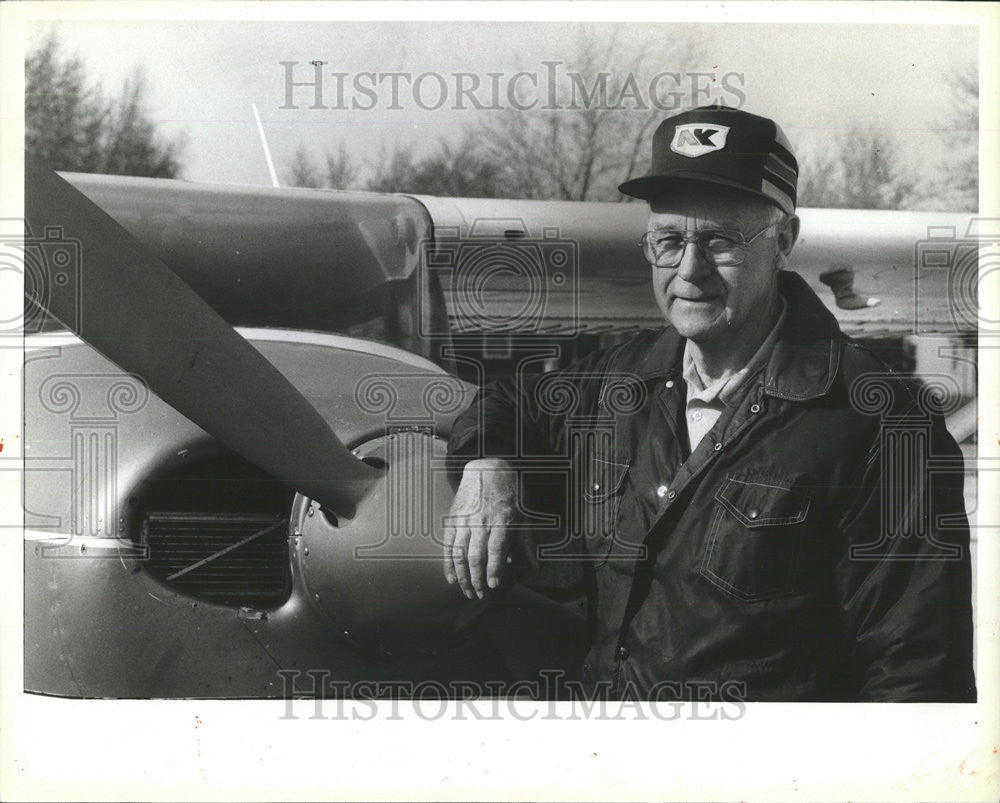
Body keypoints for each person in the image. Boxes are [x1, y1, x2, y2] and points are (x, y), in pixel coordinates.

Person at [443, 104, 975, 702]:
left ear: (783, 242)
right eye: (668, 240)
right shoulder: (616, 381)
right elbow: (510, 398)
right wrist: (488, 464)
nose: (689, 270)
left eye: (720, 240)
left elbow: (917, 668)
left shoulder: (880, 422)